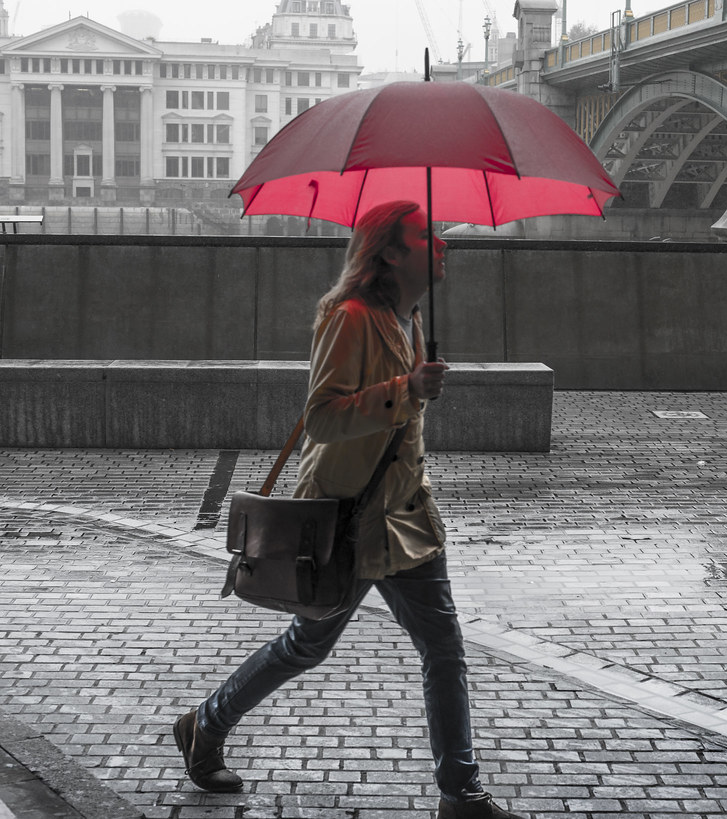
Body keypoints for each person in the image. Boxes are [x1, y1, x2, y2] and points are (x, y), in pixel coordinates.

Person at [173, 200, 526, 819]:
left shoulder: (408, 319)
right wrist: (406, 390)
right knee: (308, 645)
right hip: (348, 517)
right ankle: (206, 723)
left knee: (444, 649)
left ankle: (460, 794)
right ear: (390, 252)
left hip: (407, 518)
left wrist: (413, 391)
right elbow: (324, 416)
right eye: (428, 234)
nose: (443, 243)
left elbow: (398, 425)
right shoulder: (351, 316)